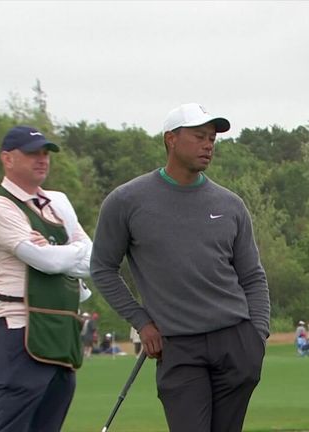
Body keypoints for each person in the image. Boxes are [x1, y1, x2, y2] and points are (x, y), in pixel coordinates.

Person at [91, 103, 270, 432]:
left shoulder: (230, 205)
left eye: (213, 139)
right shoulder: (126, 201)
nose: (208, 145)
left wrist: (257, 337)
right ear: (170, 139)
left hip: (236, 341)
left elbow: (253, 277)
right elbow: (102, 268)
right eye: (199, 136)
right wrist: (141, 322)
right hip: (179, 347)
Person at [0, 125, 93, 431]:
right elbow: (45, 261)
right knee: (12, 425)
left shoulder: (56, 202)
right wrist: (71, 250)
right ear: (7, 159)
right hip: (21, 328)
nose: (42, 159)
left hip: (60, 329)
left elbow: (93, 261)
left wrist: (60, 250)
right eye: (32, 153)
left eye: (45, 153)